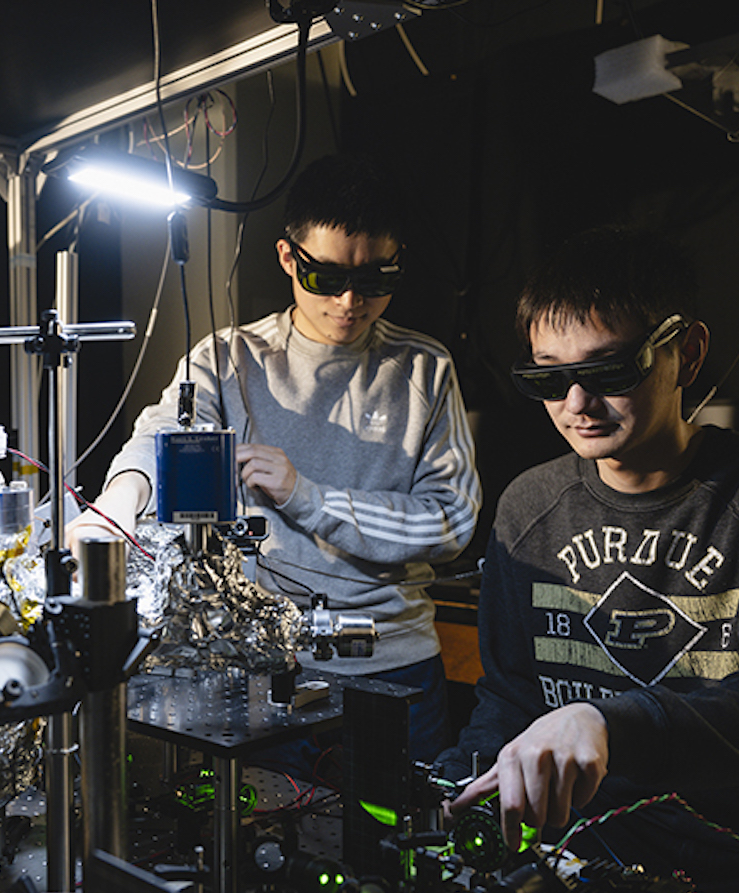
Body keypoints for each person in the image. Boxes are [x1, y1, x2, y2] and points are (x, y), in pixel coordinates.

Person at [441, 225, 739, 893]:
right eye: (547, 377)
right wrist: (449, 791)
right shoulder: (530, 506)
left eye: (610, 371)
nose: (576, 403)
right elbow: (509, 696)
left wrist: (608, 724)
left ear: (685, 353)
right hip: (606, 857)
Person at [67, 153, 482, 765]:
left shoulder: (425, 369)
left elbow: (450, 522)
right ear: (289, 257)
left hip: (395, 669)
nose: (348, 301)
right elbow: (161, 437)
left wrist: (307, 497)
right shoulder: (229, 358)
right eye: (327, 277)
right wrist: (113, 510)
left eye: (374, 281)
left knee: (403, 849)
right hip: (265, 667)